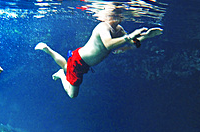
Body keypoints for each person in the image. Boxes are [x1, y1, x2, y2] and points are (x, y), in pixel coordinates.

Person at [35, 6, 163, 98]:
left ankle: (48, 50)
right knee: (72, 94)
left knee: (66, 66)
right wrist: (128, 37)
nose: (118, 18)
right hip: (80, 61)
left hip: (82, 60)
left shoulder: (119, 30)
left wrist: (146, 36)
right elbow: (108, 44)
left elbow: (132, 42)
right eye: (116, 14)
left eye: (120, 15)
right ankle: (61, 74)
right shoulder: (103, 27)